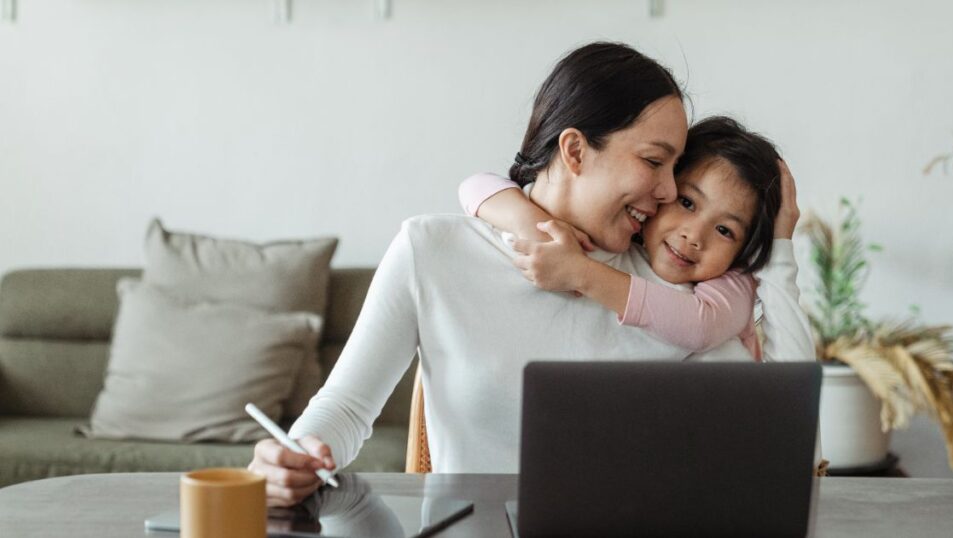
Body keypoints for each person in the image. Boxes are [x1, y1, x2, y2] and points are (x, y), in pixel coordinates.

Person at [249, 41, 814, 507]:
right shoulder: (432, 250)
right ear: (574, 150)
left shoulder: (675, 289)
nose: (668, 192)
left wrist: (781, 248)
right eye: (652, 161)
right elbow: (346, 409)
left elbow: (784, 433)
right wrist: (295, 453)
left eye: (675, 168)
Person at [458, 116, 787, 358]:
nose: (694, 235)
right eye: (686, 202)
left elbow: (700, 325)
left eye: (725, 230)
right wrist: (532, 224)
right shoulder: (626, 238)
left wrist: (581, 273)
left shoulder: (735, 282)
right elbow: (475, 185)